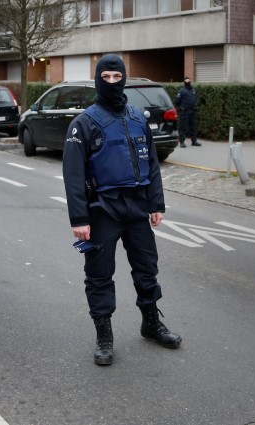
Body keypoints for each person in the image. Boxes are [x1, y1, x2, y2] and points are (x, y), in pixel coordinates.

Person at [62, 53, 182, 366]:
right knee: (99, 275)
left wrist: (156, 203)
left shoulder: (137, 116)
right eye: (107, 78)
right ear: (98, 80)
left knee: (147, 268)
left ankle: (151, 323)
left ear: (124, 78)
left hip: (137, 206)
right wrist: (79, 218)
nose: (113, 83)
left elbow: (152, 163)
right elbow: (73, 175)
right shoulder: (84, 123)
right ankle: (104, 335)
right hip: (103, 210)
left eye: (118, 77)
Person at [174, 77, 201, 148]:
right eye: (186, 81)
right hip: (185, 111)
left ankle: (194, 141)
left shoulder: (193, 90)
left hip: (193, 111)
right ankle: (182, 142)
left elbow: (195, 99)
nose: (188, 82)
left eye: (189, 81)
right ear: (185, 82)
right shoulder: (181, 91)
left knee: (193, 126)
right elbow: (177, 101)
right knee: (183, 127)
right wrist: (182, 107)